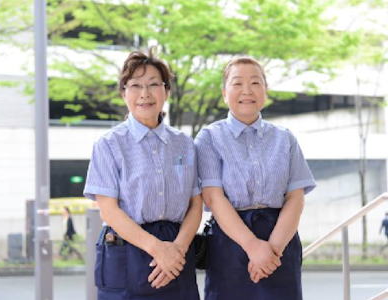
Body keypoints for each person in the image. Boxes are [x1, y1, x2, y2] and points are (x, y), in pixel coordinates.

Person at [83, 49, 202, 300]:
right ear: (124, 93)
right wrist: (159, 250)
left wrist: (176, 251)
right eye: (135, 85)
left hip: (177, 249)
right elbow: (109, 211)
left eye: (153, 85)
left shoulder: (184, 144)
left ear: (166, 91)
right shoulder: (109, 144)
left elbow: (195, 203)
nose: (145, 94)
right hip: (127, 248)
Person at [195, 56, 316, 300]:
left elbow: (295, 198)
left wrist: (273, 251)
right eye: (237, 83)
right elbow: (214, 199)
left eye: (255, 83)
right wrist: (253, 248)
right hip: (230, 242)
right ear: (224, 92)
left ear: (266, 91)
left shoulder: (285, 139)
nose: (247, 91)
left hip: (280, 241)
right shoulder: (209, 138)